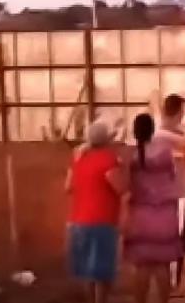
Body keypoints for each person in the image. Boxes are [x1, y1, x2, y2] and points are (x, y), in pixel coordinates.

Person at [124, 114, 183, 303]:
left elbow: (125, 184)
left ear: (135, 131)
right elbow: (174, 177)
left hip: (139, 216)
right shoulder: (164, 153)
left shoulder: (130, 156)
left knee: (142, 267)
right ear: (152, 130)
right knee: (162, 266)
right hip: (165, 215)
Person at [66, 120, 128, 303]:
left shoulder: (79, 158)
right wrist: (123, 168)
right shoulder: (108, 159)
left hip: (78, 222)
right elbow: (120, 188)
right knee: (102, 274)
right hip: (102, 222)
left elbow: (68, 187)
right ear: (107, 140)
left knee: (88, 272)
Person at [152, 94, 185, 296]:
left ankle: (165, 285)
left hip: (161, 196)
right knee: (176, 241)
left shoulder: (155, 134)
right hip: (179, 194)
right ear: (178, 112)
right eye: (183, 111)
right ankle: (172, 286)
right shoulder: (178, 138)